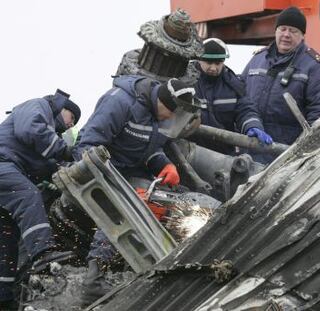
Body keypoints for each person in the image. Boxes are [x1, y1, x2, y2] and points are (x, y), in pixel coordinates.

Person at [72, 75, 201, 304]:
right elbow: (86, 145)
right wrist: (114, 182)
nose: (171, 118)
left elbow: (147, 151)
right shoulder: (120, 102)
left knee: (173, 198)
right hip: (100, 174)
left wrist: (163, 164)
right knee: (121, 206)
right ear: (163, 102)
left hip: (130, 175)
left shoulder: (158, 115)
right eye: (171, 112)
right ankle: (94, 280)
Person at [0, 89, 81, 310]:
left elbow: (42, 166)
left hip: (8, 170)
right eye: (72, 118)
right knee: (27, 195)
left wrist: (63, 171)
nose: (71, 125)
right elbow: (30, 129)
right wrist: (65, 151)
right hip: (2, 163)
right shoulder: (39, 106)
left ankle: (4, 296)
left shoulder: (43, 136)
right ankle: (43, 254)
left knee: (7, 236)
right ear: (63, 108)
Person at [241, 6, 320, 163]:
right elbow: (240, 96)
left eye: (293, 31)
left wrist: (302, 152)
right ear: (276, 31)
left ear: (302, 36)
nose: (286, 35)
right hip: (250, 149)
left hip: (285, 155)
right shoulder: (258, 59)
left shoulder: (315, 66)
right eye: (282, 29)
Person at [193, 38, 273, 154]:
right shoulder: (187, 82)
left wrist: (252, 126)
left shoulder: (233, 84)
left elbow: (245, 109)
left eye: (218, 63)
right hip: (191, 150)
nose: (214, 68)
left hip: (224, 154)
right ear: (199, 60)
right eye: (209, 63)